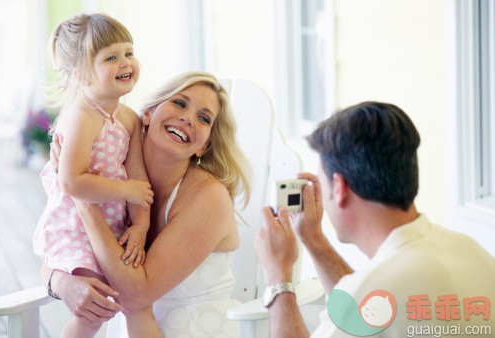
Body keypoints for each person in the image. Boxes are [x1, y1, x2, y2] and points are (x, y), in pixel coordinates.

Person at [255, 101, 495, 337]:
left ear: (339, 188)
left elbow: (365, 300)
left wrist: (278, 275)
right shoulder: (472, 251)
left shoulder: (378, 288)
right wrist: (312, 238)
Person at [44, 71, 252, 337]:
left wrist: (84, 201)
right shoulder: (112, 177)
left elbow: (135, 297)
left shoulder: (209, 197)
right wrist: (61, 282)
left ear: (204, 146)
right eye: (179, 103)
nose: (188, 119)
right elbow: (57, 247)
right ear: (149, 113)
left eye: (203, 118)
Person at [33, 13, 160, 337]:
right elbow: (71, 181)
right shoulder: (81, 116)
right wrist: (126, 192)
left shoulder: (129, 118)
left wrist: (141, 226)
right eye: (111, 57)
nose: (125, 63)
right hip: (76, 227)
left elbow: (138, 181)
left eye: (129, 53)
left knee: (131, 298)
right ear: (82, 74)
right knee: (96, 307)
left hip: (113, 227)